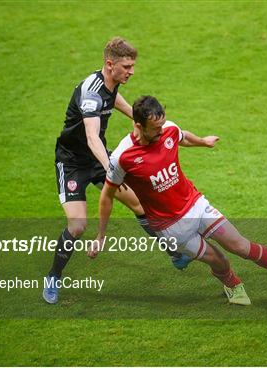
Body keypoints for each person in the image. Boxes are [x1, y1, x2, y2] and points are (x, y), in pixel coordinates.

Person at [89, 95, 267, 306]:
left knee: (241, 246)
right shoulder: (123, 157)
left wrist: (203, 141)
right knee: (220, 261)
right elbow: (107, 195)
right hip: (170, 228)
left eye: (162, 124)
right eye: (155, 128)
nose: (162, 131)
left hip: (195, 205)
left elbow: (182, 137)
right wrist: (101, 235)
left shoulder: (168, 129)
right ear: (138, 125)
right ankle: (232, 283)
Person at [43, 39, 189, 305]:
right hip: (73, 163)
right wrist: (111, 166)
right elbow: (91, 137)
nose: (131, 71)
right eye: (127, 66)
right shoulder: (91, 92)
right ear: (110, 65)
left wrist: (159, 128)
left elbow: (131, 112)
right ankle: (53, 276)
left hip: (97, 160)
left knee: (139, 204)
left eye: (132, 65)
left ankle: (173, 252)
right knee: (77, 226)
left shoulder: (112, 85)